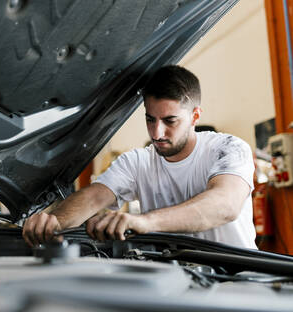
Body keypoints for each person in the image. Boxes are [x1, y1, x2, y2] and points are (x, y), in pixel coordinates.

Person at [22, 65, 257, 249]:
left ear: (195, 116)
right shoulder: (137, 162)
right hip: (176, 283)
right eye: (150, 119)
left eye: (169, 121)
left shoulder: (229, 148)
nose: (157, 133)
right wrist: (54, 221)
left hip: (237, 281)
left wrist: (146, 222)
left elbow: (225, 204)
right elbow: (93, 197)